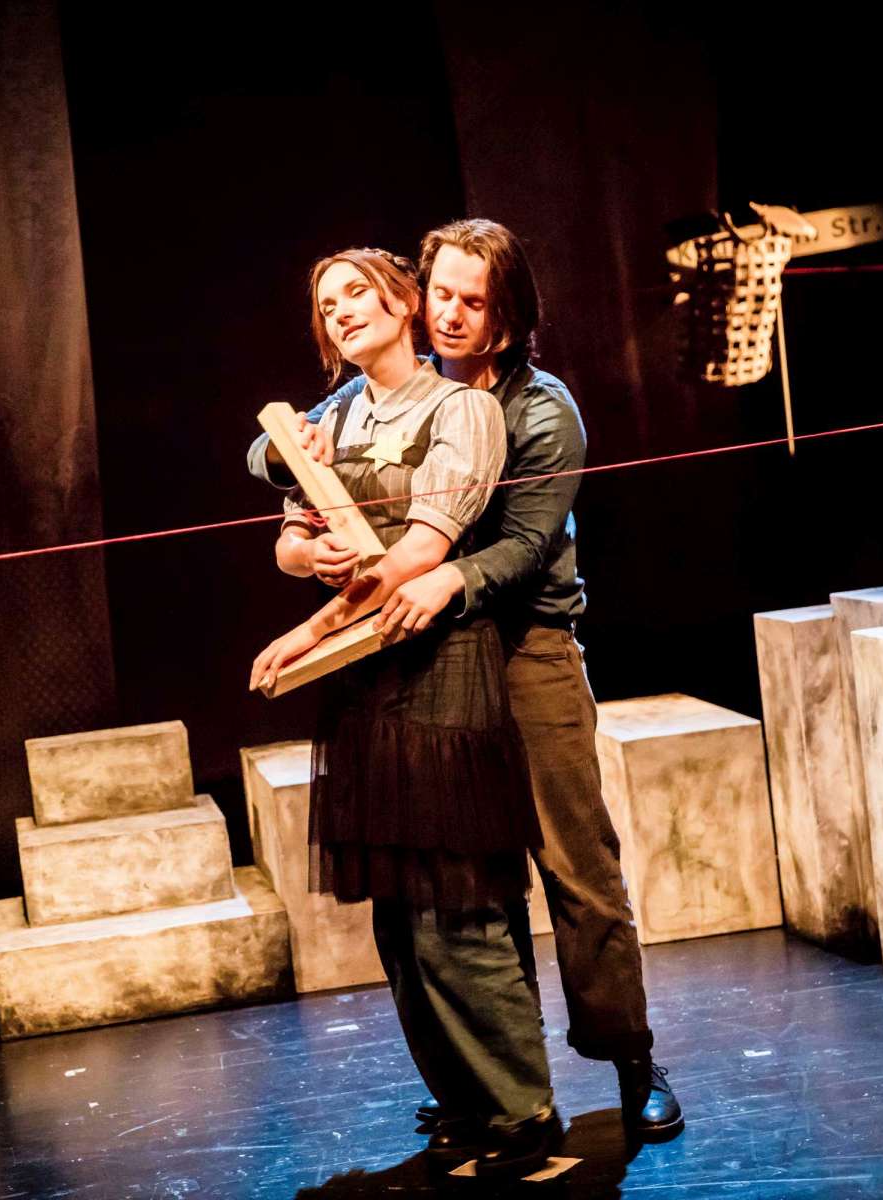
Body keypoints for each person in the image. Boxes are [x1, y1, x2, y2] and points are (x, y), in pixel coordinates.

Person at [249, 219, 683, 1140]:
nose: (450, 314)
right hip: (436, 654)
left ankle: (631, 1057)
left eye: (472, 301)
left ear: (508, 314)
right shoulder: (401, 387)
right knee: (474, 877)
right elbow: (275, 451)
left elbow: (526, 544)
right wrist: (295, 469)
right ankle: (504, 1087)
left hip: (526, 647)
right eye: (440, 293)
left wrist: (447, 576)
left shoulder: (539, 410)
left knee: (575, 863)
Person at [249, 247, 561, 1176]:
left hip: (438, 665)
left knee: (455, 904)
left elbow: (425, 549)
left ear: (401, 302)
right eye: (326, 304)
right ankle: (466, 1102)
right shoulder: (332, 418)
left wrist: (311, 630)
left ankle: (523, 1113)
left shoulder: (460, 410)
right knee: (399, 913)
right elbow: (291, 539)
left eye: (357, 293)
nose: (342, 312)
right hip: (364, 679)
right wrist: (312, 562)